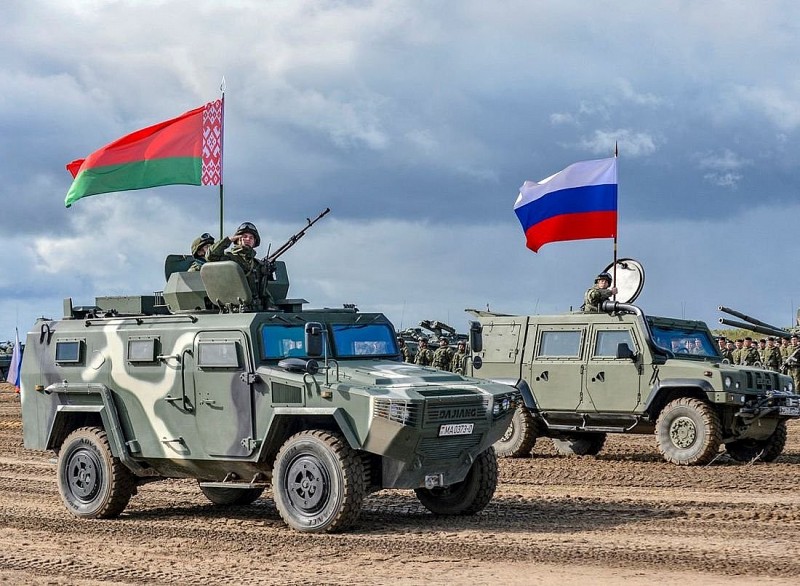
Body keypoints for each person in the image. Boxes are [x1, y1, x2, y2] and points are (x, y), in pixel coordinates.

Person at [206, 222, 273, 309]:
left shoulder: (257, 264)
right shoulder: (229, 259)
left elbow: (264, 291)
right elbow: (210, 255)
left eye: (251, 237)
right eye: (244, 236)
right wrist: (228, 240)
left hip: (256, 308)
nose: (248, 239)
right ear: (237, 239)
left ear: (254, 242)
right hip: (235, 309)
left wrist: (270, 306)